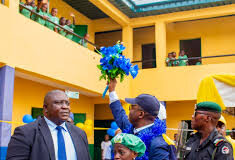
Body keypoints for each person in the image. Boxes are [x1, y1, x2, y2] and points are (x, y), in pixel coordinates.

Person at [6, 90, 91, 160]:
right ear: (45, 108)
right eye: (58, 103)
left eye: (67, 103)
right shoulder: (25, 133)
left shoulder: (80, 133)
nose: (65, 107)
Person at [108, 79, 176, 160]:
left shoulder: (157, 144)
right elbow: (119, 114)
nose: (129, 111)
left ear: (141, 114)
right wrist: (112, 90)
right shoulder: (131, 130)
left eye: (132, 107)